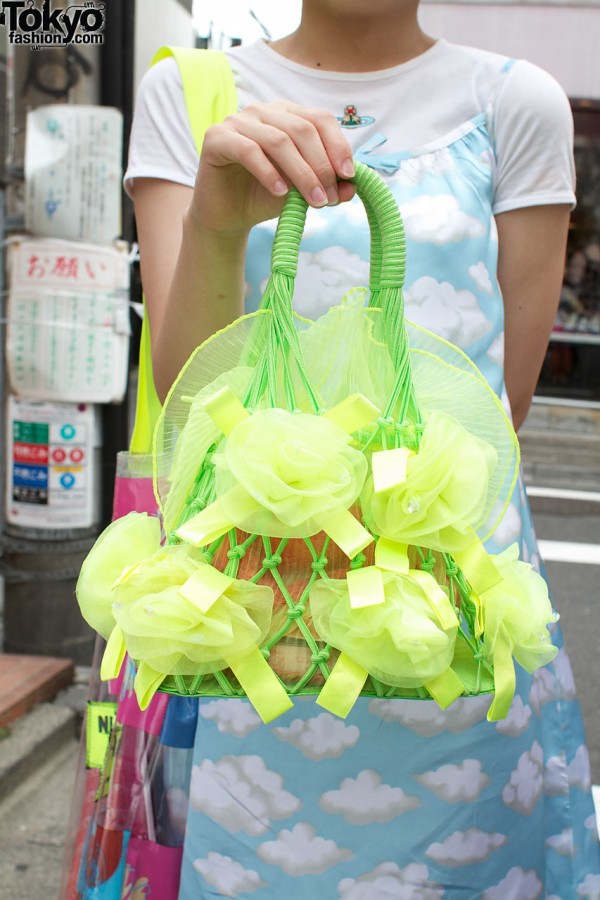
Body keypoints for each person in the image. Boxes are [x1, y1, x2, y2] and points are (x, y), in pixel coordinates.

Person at [71, 2, 600, 897]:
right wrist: (215, 222)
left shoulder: (519, 102)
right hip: (250, 631)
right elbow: (190, 392)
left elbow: (496, 409)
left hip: (452, 631)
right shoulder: (193, 94)